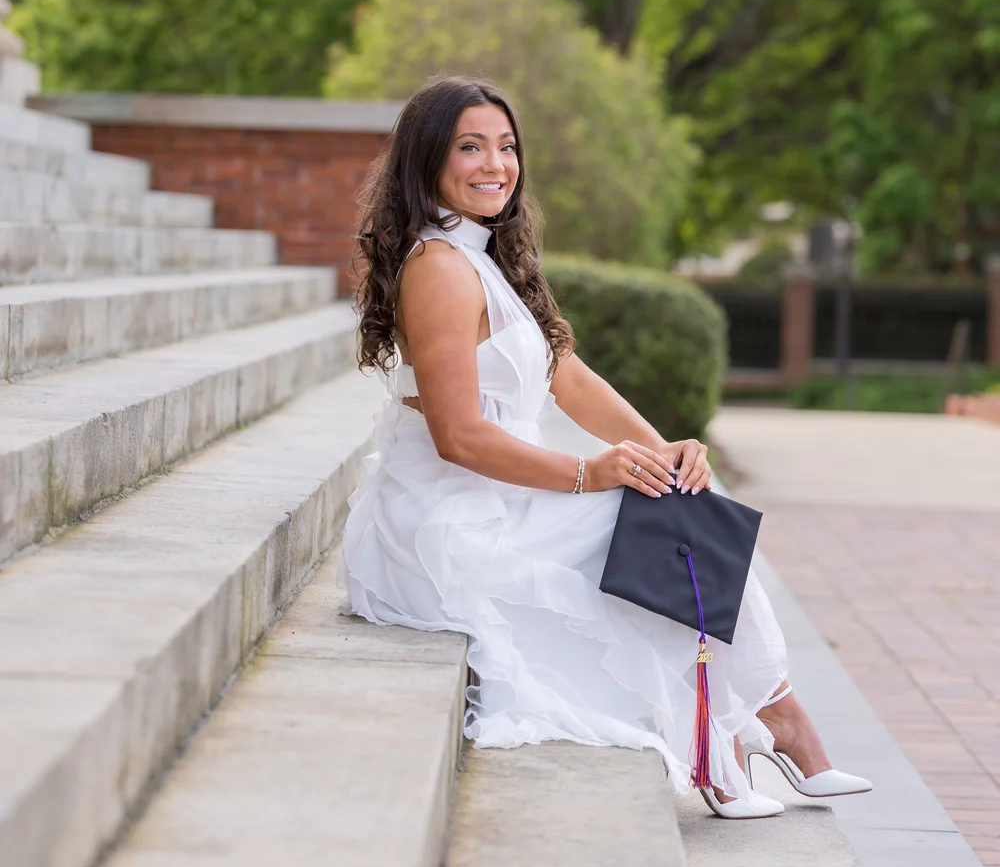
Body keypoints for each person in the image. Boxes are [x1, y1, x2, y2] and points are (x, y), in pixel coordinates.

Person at [341, 76, 871, 818]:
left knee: (685, 500)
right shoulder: (438, 269)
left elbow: (567, 379)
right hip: (447, 517)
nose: (495, 163)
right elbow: (458, 437)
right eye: (470, 147)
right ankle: (762, 735)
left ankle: (762, 730)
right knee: (657, 528)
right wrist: (592, 472)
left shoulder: (484, 254)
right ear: (428, 159)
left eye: (506, 146)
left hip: (502, 493)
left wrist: (664, 451)